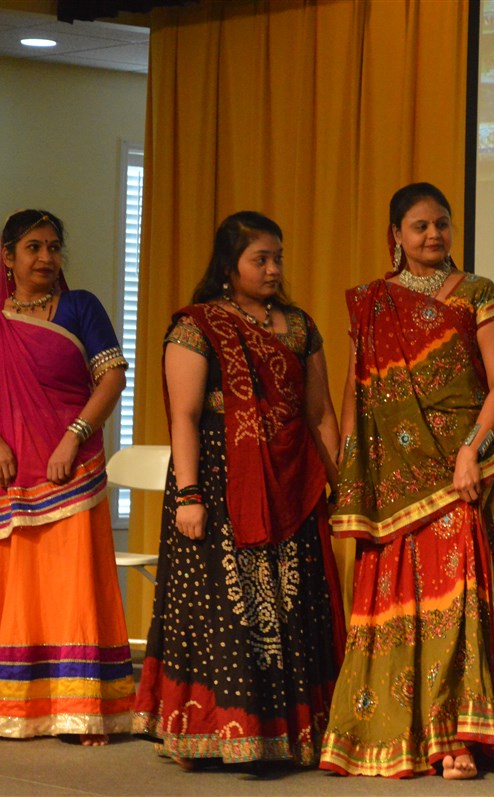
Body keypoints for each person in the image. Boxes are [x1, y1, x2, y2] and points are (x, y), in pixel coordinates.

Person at [319, 183, 494, 780]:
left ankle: (456, 734)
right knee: (398, 597)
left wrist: (471, 451)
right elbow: (358, 389)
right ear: (396, 236)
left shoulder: (477, 293)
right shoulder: (371, 302)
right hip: (391, 475)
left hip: (462, 463)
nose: (433, 235)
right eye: (419, 226)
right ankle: (398, 730)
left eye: (442, 223)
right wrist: (348, 463)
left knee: (458, 596)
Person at [132, 211, 346, 769]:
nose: (274, 268)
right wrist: (189, 495)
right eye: (261, 259)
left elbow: (320, 411)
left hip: (293, 480)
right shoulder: (198, 326)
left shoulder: (299, 326)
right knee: (230, 608)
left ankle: (293, 733)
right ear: (230, 267)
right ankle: (218, 732)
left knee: (294, 603)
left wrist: (338, 480)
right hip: (222, 483)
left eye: (277, 257)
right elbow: (183, 415)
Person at [0, 209, 132, 745]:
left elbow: (112, 375)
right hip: (3, 471)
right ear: (8, 257)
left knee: (70, 586)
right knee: (7, 587)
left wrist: (72, 436)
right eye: (33, 247)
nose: (46, 257)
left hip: (70, 465)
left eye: (53, 247)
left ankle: (79, 709)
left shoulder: (80, 306)